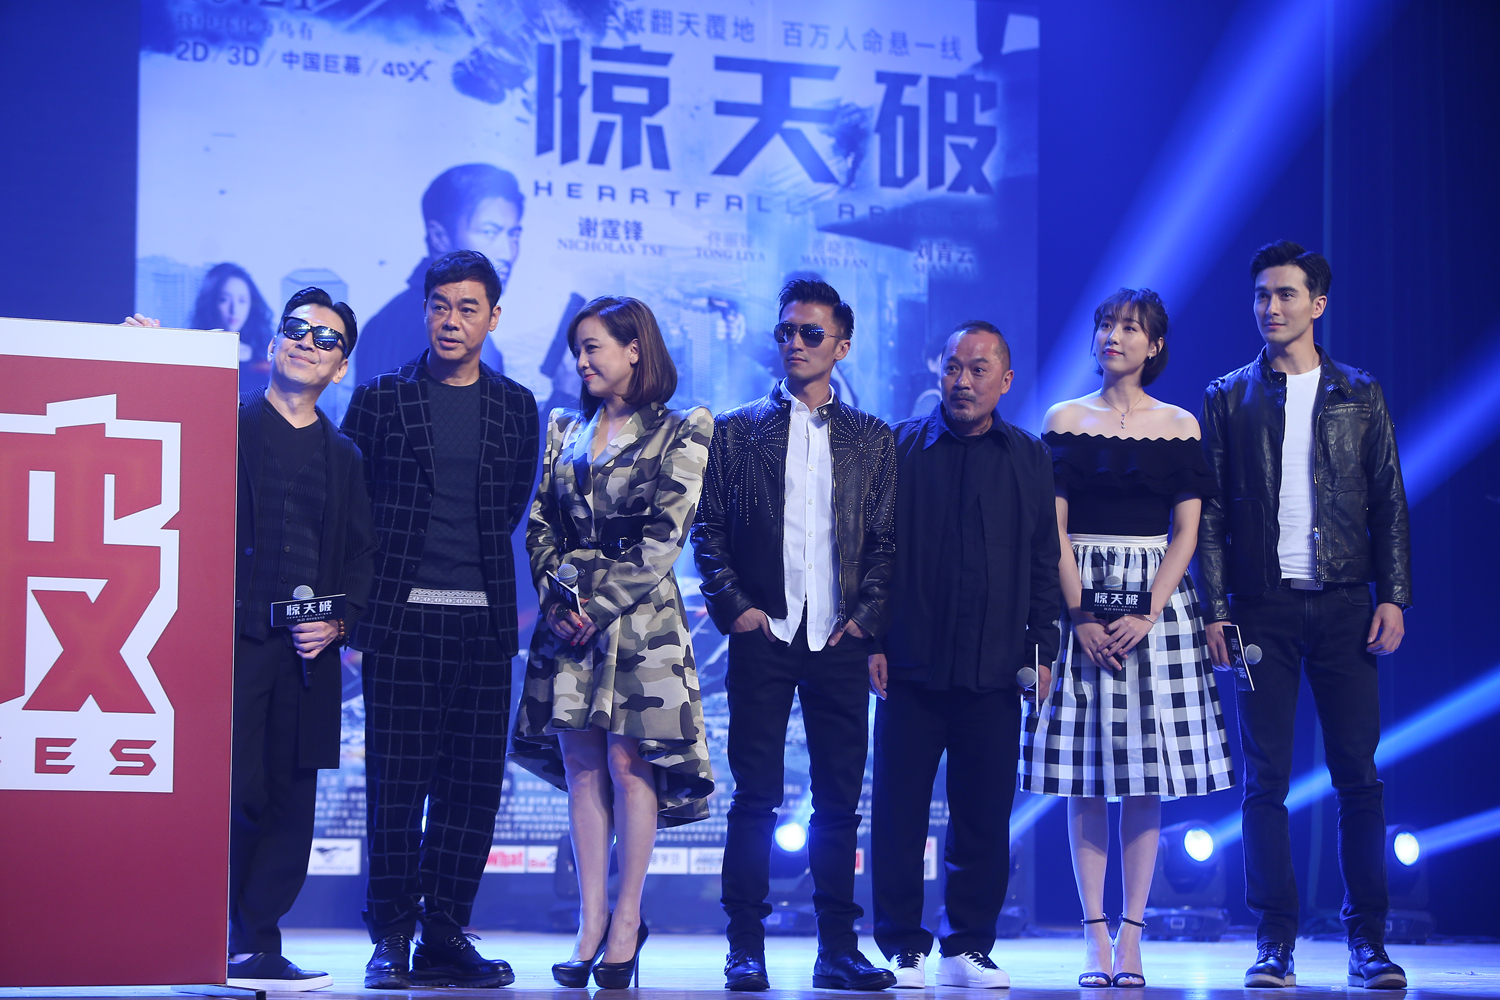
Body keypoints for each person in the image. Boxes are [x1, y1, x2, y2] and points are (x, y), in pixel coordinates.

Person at [129, 287, 376, 991]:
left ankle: (260, 942)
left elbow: (362, 556)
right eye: (295, 329)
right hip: (226, 645)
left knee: (293, 799)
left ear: (340, 366)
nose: (306, 341)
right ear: (272, 344)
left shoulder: (345, 456)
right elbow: (161, 436)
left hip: (306, 655)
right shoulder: (225, 424)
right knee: (230, 792)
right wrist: (149, 359)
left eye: (325, 338)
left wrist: (340, 622)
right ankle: (205, 937)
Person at [1200, 241, 1410, 990]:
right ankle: (1274, 940)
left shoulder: (1361, 392)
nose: (1271, 307)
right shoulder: (1228, 396)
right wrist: (1215, 609)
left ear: (1317, 304)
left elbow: (1389, 501)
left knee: (1358, 775)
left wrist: (1394, 596)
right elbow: (1210, 511)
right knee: (1266, 780)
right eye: (1262, 294)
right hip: (1262, 609)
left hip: (1346, 603)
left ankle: (1368, 941)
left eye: (1286, 294)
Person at [1018, 290, 1235, 989]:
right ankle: (1094, 937)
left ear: (1155, 345)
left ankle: (1133, 937)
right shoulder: (1064, 418)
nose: (1114, 336)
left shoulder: (1179, 423)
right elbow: (1052, 529)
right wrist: (1080, 614)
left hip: (1155, 603)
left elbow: (1188, 533)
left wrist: (1147, 611)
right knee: (1084, 780)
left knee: (1146, 780)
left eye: (1130, 328)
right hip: (1078, 593)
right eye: (1106, 325)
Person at [341, 249, 539, 989]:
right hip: (400, 623)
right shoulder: (380, 399)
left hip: (483, 628)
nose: (452, 320)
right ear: (424, 312)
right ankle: (391, 936)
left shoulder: (517, 406)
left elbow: (510, 510)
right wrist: (354, 618)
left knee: (473, 789)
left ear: (493, 317)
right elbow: (353, 512)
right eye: (440, 306)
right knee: (396, 787)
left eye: (468, 308)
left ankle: (445, 933)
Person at [692, 278, 898, 993]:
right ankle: (744, 947)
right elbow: (708, 531)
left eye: (811, 333)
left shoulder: (873, 438)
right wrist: (737, 609)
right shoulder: (736, 429)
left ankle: (837, 947)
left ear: (842, 346)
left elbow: (887, 543)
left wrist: (866, 621)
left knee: (838, 802)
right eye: (786, 331)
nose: (796, 343)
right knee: (756, 798)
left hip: (840, 640)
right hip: (764, 636)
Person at [510, 296, 715, 989]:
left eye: (592, 346)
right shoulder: (564, 426)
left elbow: (666, 537)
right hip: (567, 619)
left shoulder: (684, 426)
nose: (581, 361)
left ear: (634, 350)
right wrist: (558, 599)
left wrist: (597, 606)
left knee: (631, 765)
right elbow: (540, 525)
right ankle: (590, 920)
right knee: (581, 767)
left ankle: (628, 918)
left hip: (640, 620)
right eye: (577, 349)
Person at [868, 321, 1060, 991]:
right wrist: (872, 640)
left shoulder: (1028, 456)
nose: (963, 381)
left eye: (978, 370)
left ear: (1005, 381)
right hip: (909, 665)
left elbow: (1043, 561)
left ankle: (968, 945)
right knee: (899, 813)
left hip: (995, 669)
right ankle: (902, 945)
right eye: (953, 367)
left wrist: (1042, 651)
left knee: (982, 815)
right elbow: (872, 552)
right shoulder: (899, 447)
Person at [357, 164, 523, 380]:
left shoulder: (386, 320)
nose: (507, 253)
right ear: (438, 237)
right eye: (489, 232)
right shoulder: (424, 329)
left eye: (513, 235)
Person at [189, 262, 276, 392]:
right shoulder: (194, 352)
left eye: (242, 301)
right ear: (211, 302)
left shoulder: (265, 354)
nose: (234, 310)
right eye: (224, 299)